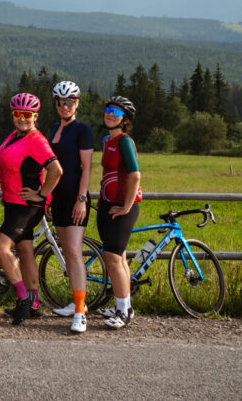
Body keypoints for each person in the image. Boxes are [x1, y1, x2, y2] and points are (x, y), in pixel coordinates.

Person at [0, 92, 63, 325]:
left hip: (27, 206)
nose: (22, 118)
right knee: (24, 251)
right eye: (17, 114)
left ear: (35, 116)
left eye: (27, 114)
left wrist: (41, 195)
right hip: (13, 203)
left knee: (0, 247)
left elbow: (56, 170)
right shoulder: (14, 135)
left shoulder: (37, 140)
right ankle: (33, 303)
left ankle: (22, 299)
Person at [46, 80, 95, 333]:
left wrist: (82, 199)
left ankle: (80, 313)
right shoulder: (54, 128)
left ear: (77, 103)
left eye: (70, 102)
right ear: (55, 104)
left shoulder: (82, 130)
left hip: (76, 199)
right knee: (66, 251)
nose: (65, 106)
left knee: (75, 253)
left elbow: (87, 168)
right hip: (58, 198)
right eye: (61, 102)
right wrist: (47, 197)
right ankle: (76, 303)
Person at [96, 95, 142, 329]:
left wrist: (126, 205)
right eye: (108, 109)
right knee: (118, 256)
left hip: (122, 206)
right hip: (106, 204)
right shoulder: (106, 140)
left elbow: (135, 175)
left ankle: (123, 312)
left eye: (116, 112)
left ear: (125, 119)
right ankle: (124, 305)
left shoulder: (125, 141)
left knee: (112, 256)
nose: (110, 114)